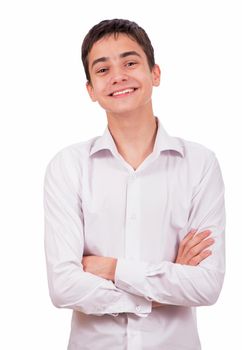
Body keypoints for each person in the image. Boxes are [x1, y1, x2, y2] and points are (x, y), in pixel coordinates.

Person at [44, 19, 225, 350]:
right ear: (91, 90)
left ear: (155, 74)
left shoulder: (200, 164)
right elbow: (63, 287)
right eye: (102, 70)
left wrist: (111, 268)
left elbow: (206, 285)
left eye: (130, 62)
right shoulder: (68, 167)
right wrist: (163, 285)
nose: (118, 76)